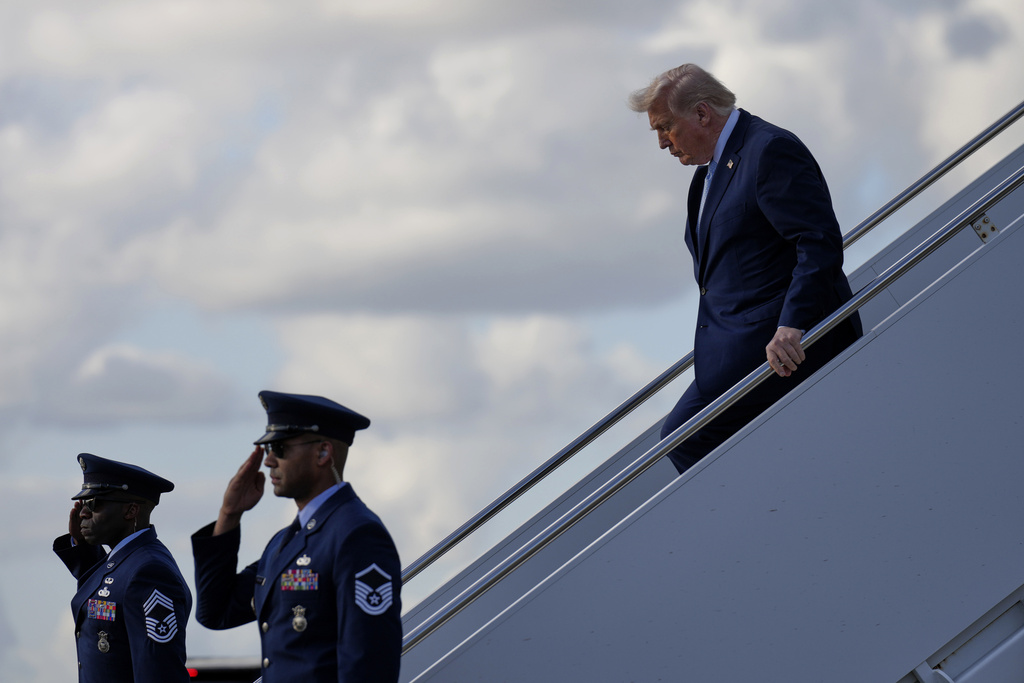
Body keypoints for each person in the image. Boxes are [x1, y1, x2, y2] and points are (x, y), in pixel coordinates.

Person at [628, 64, 863, 474]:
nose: (663, 143)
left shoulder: (768, 149)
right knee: (680, 439)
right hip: (735, 354)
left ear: (702, 114)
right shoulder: (706, 177)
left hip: (787, 347)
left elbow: (817, 241)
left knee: (687, 437)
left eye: (665, 127)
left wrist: (794, 325)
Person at [191, 390, 402, 683]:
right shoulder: (284, 542)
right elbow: (216, 612)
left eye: (279, 447)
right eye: (266, 450)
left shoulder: (357, 534)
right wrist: (229, 514)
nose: (268, 461)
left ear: (323, 453)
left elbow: (369, 661)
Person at [53, 453, 192, 682]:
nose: (83, 512)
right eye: (84, 503)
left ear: (131, 511)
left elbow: (158, 673)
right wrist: (82, 546)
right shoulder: (127, 561)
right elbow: (107, 590)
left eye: (94, 503)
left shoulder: (150, 572)